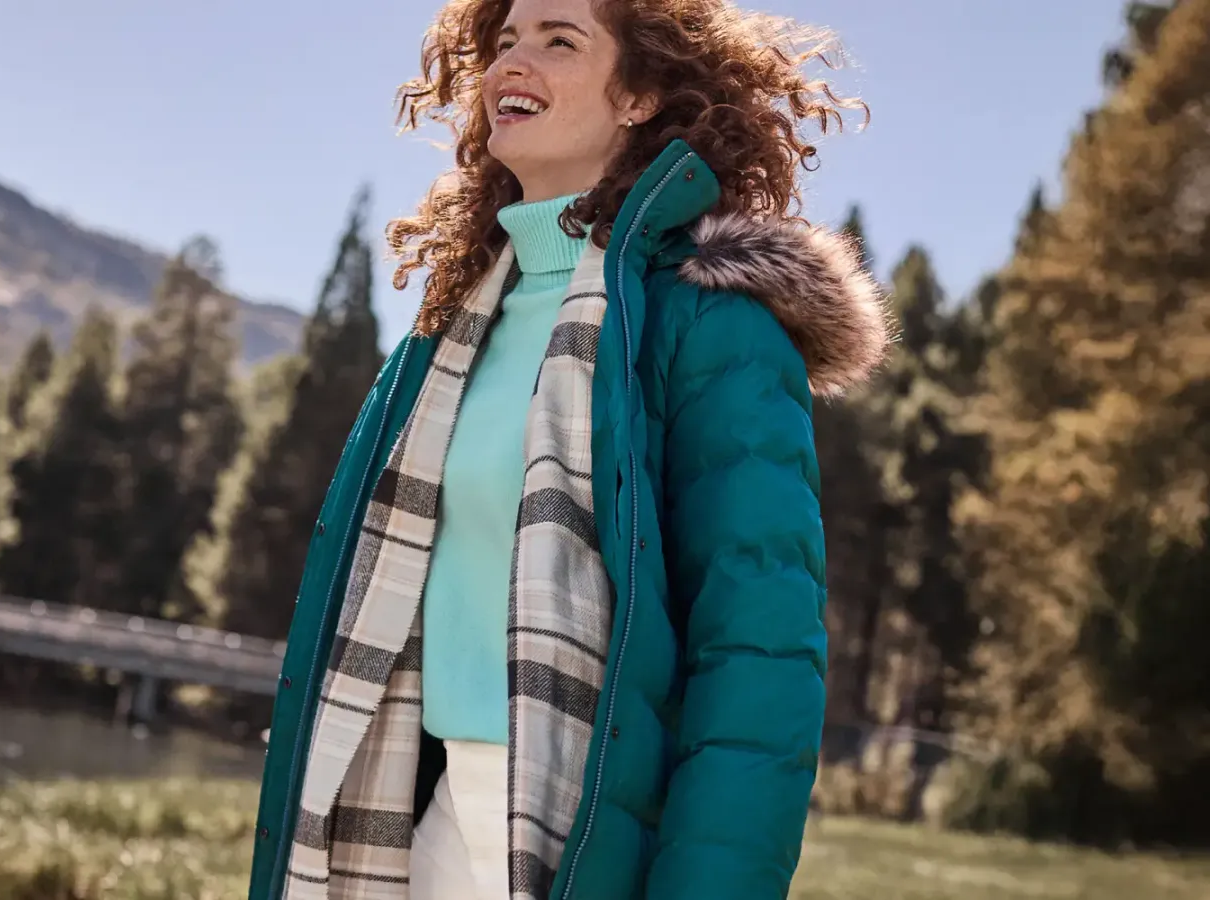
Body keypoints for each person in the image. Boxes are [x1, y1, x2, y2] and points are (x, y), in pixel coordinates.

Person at [247, 0, 890, 896]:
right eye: (505, 41)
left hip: (587, 843)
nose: (515, 61)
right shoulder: (450, 330)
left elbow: (756, 661)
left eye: (560, 40)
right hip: (422, 817)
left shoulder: (711, 327)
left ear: (639, 95)